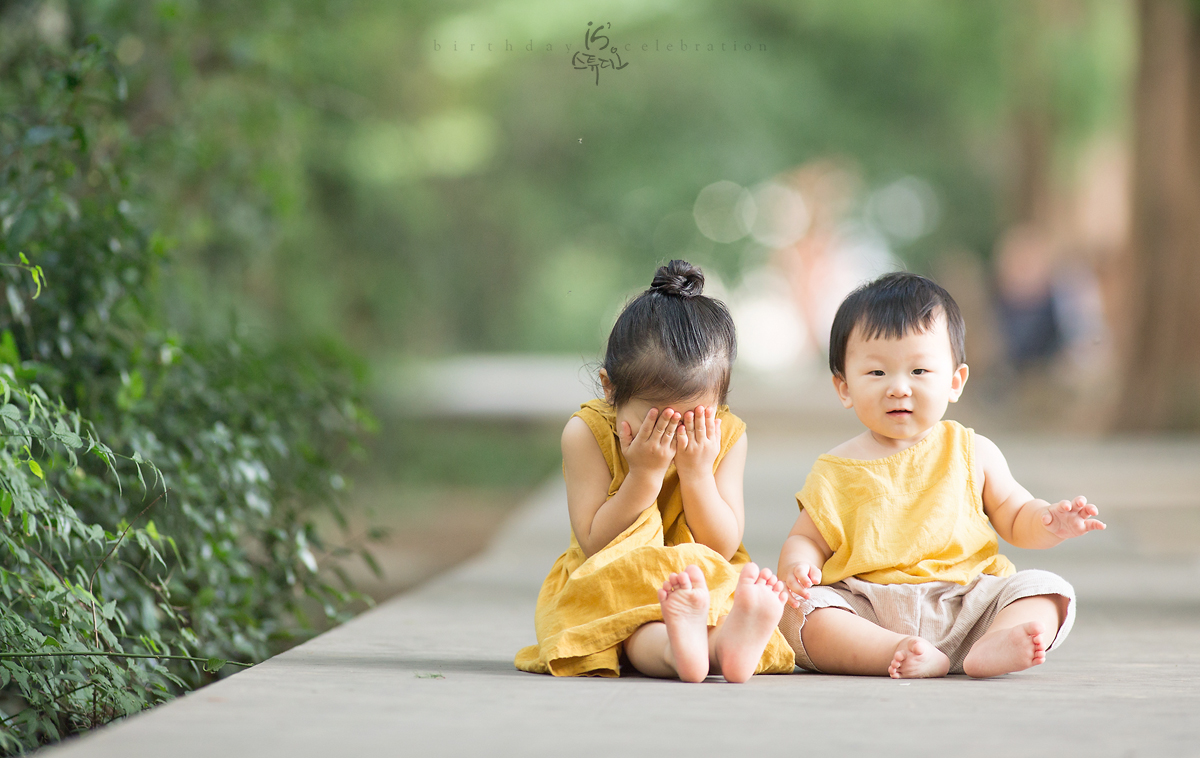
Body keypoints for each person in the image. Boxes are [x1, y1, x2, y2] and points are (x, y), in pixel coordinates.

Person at [777, 272, 1105, 679]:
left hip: (967, 602)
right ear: (844, 387)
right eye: (877, 373)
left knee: (1046, 590)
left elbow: (1016, 515)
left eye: (919, 371)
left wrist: (1049, 521)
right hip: (869, 609)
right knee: (799, 612)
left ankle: (991, 645)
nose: (899, 388)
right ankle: (894, 652)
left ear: (954, 382)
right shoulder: (835, 469)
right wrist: (799, 567)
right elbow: (806, 538)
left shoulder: (974, 451)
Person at [515, 260, 795, 682]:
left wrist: (698, 475)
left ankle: (725, 646)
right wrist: (643, 476)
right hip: (613, 577)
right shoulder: (585, 433)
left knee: (717, 601)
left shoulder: (727, 437)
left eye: (692, 420)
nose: (675, 435)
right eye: (658, 421)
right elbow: (595, 543)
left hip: (699, 576)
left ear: (719, 404)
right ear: (610, 390)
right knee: (629, 626)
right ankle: (681, 649)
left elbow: (721, 544)